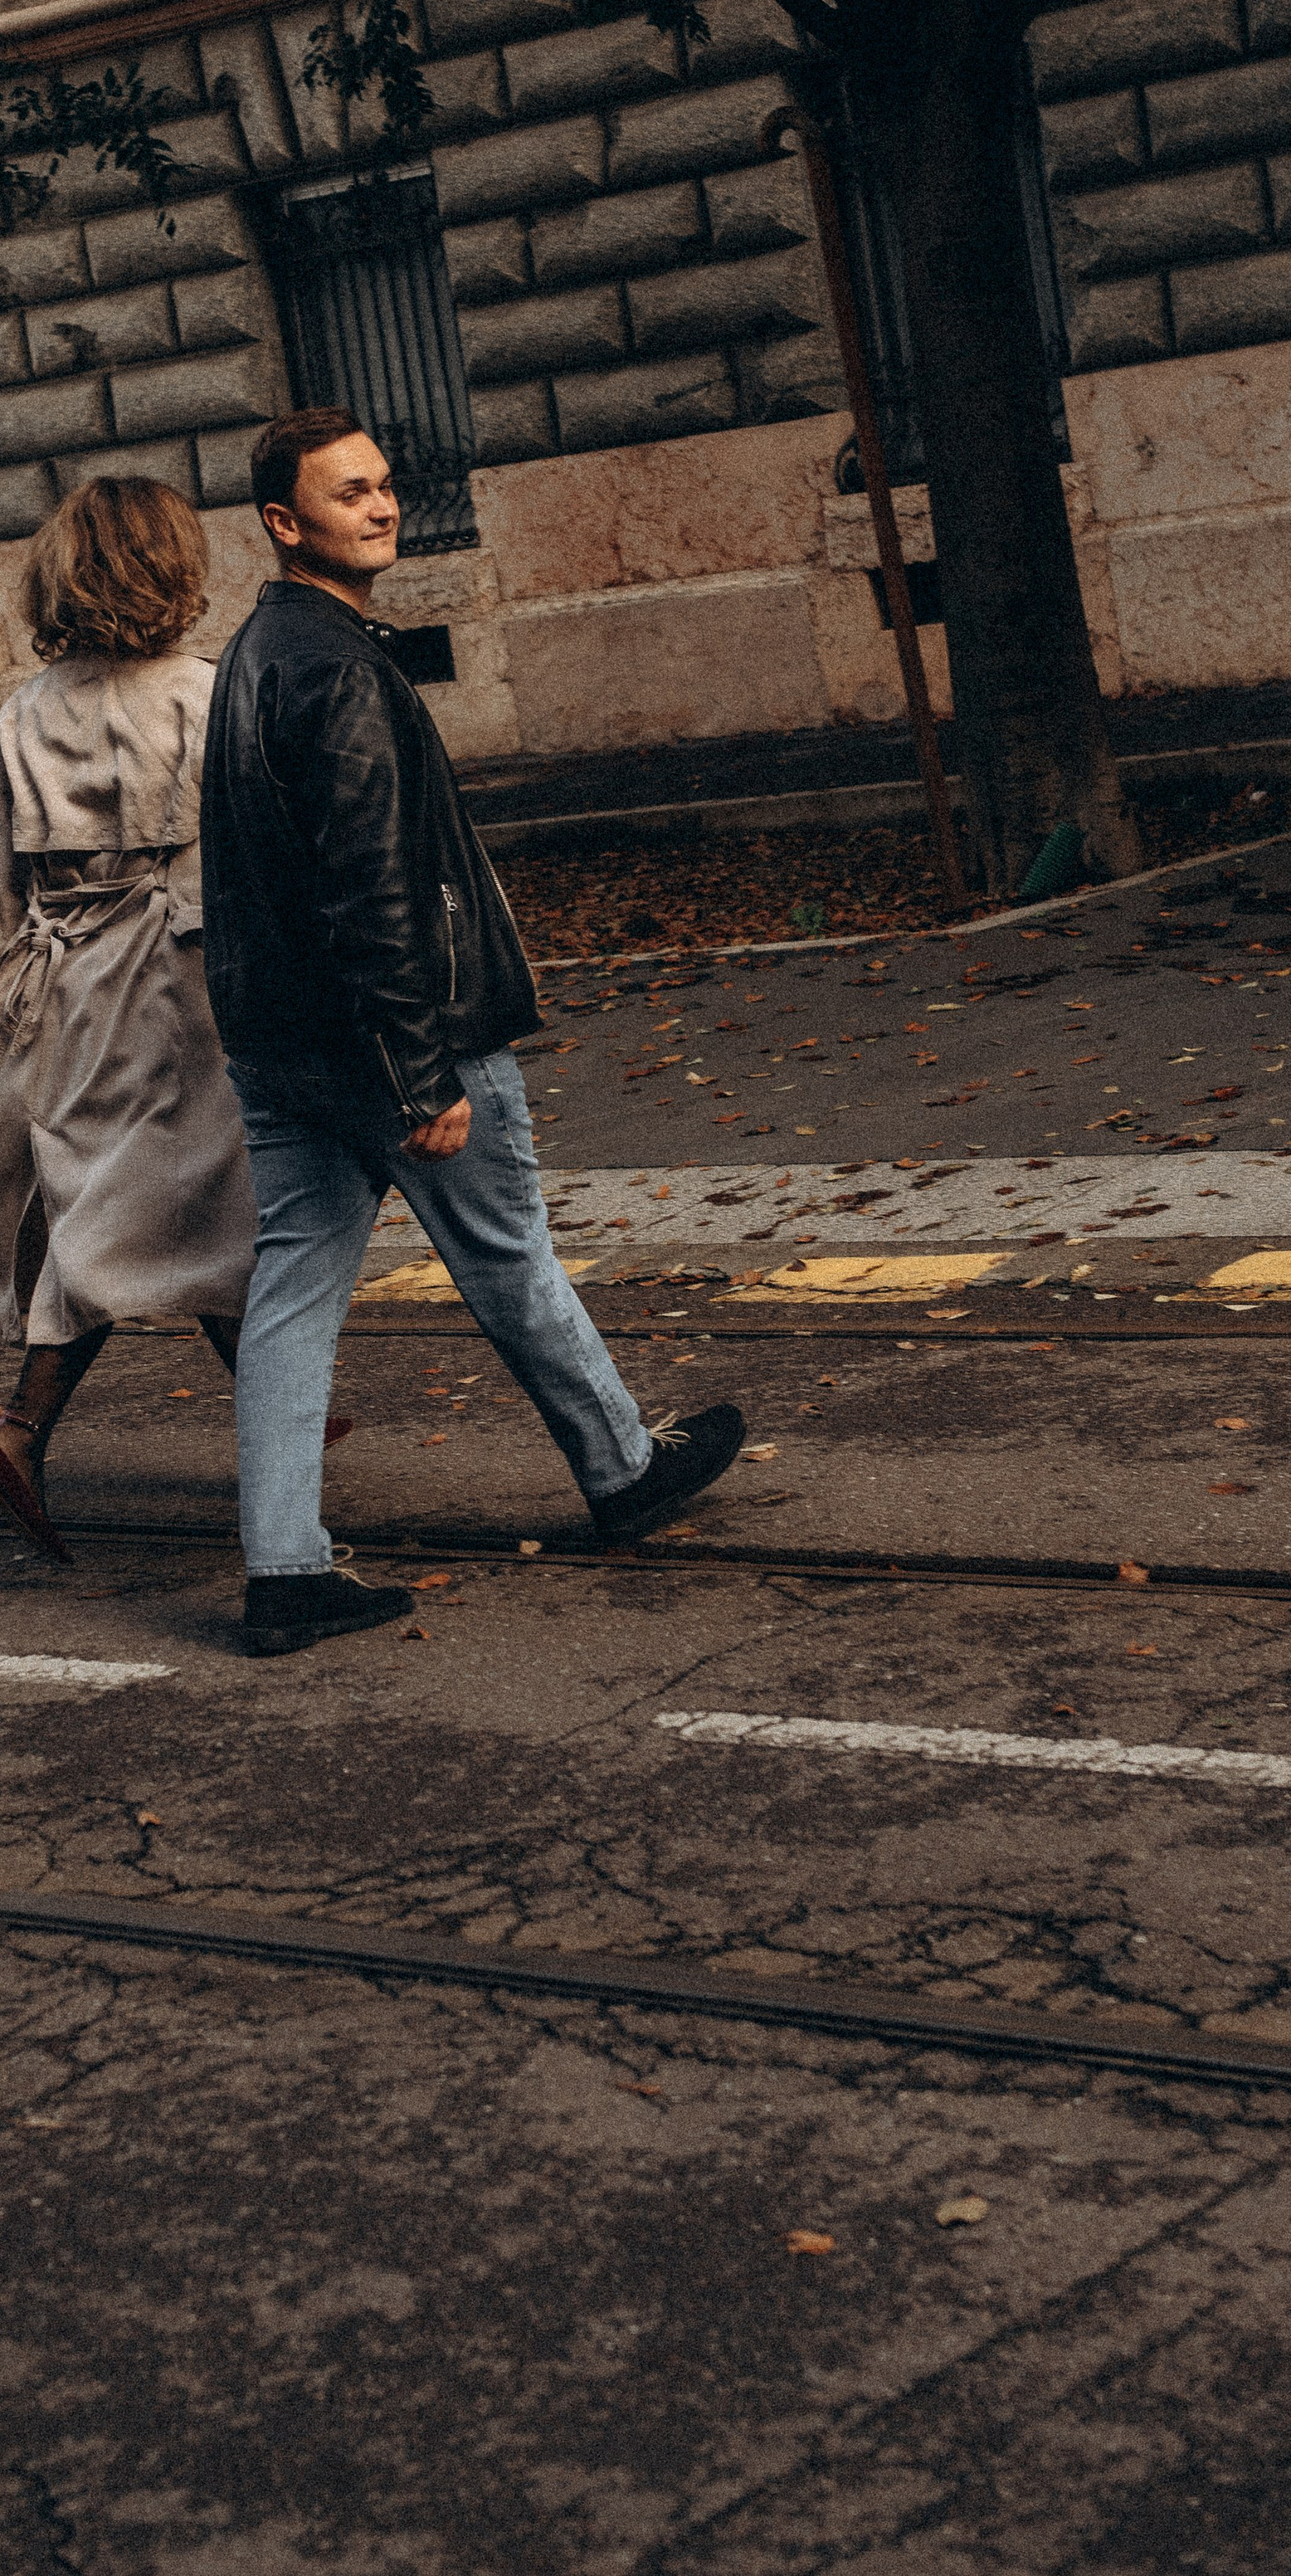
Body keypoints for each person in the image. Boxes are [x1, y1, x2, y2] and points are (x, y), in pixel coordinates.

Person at [202, 406, 747, 1656]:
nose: (383, 506)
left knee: (289, 1292)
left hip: (280, 1043)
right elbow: (369, 887)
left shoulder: (260, 652)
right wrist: (419, 1070)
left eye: (387, 485)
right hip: (390, 1039)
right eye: (350, 494)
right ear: (287, 523)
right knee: (507, 1252)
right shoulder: (335, 666)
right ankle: (622, 1472)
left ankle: (283, 1569)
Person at [0, 475, 257, 1562]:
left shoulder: (22, 714)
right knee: (191, 1204)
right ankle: (21, 1431)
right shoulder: (216, 696)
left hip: (61, 989)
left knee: (129, 1204)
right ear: (172, 569)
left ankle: (278, 1400)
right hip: (181, 989)